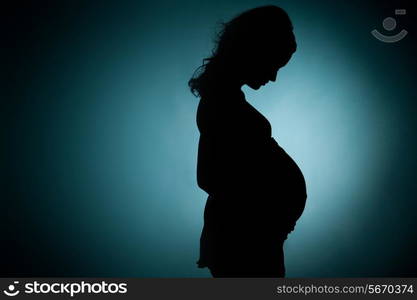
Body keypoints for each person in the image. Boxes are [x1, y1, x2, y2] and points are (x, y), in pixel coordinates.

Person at [189, 5, 307, 278]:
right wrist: (262, 215)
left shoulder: (225, 99)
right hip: (244, 244)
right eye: (274, 62)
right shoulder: (220, 102)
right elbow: (208, 177)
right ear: (254, 49)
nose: (274, 77)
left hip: (254, 239)